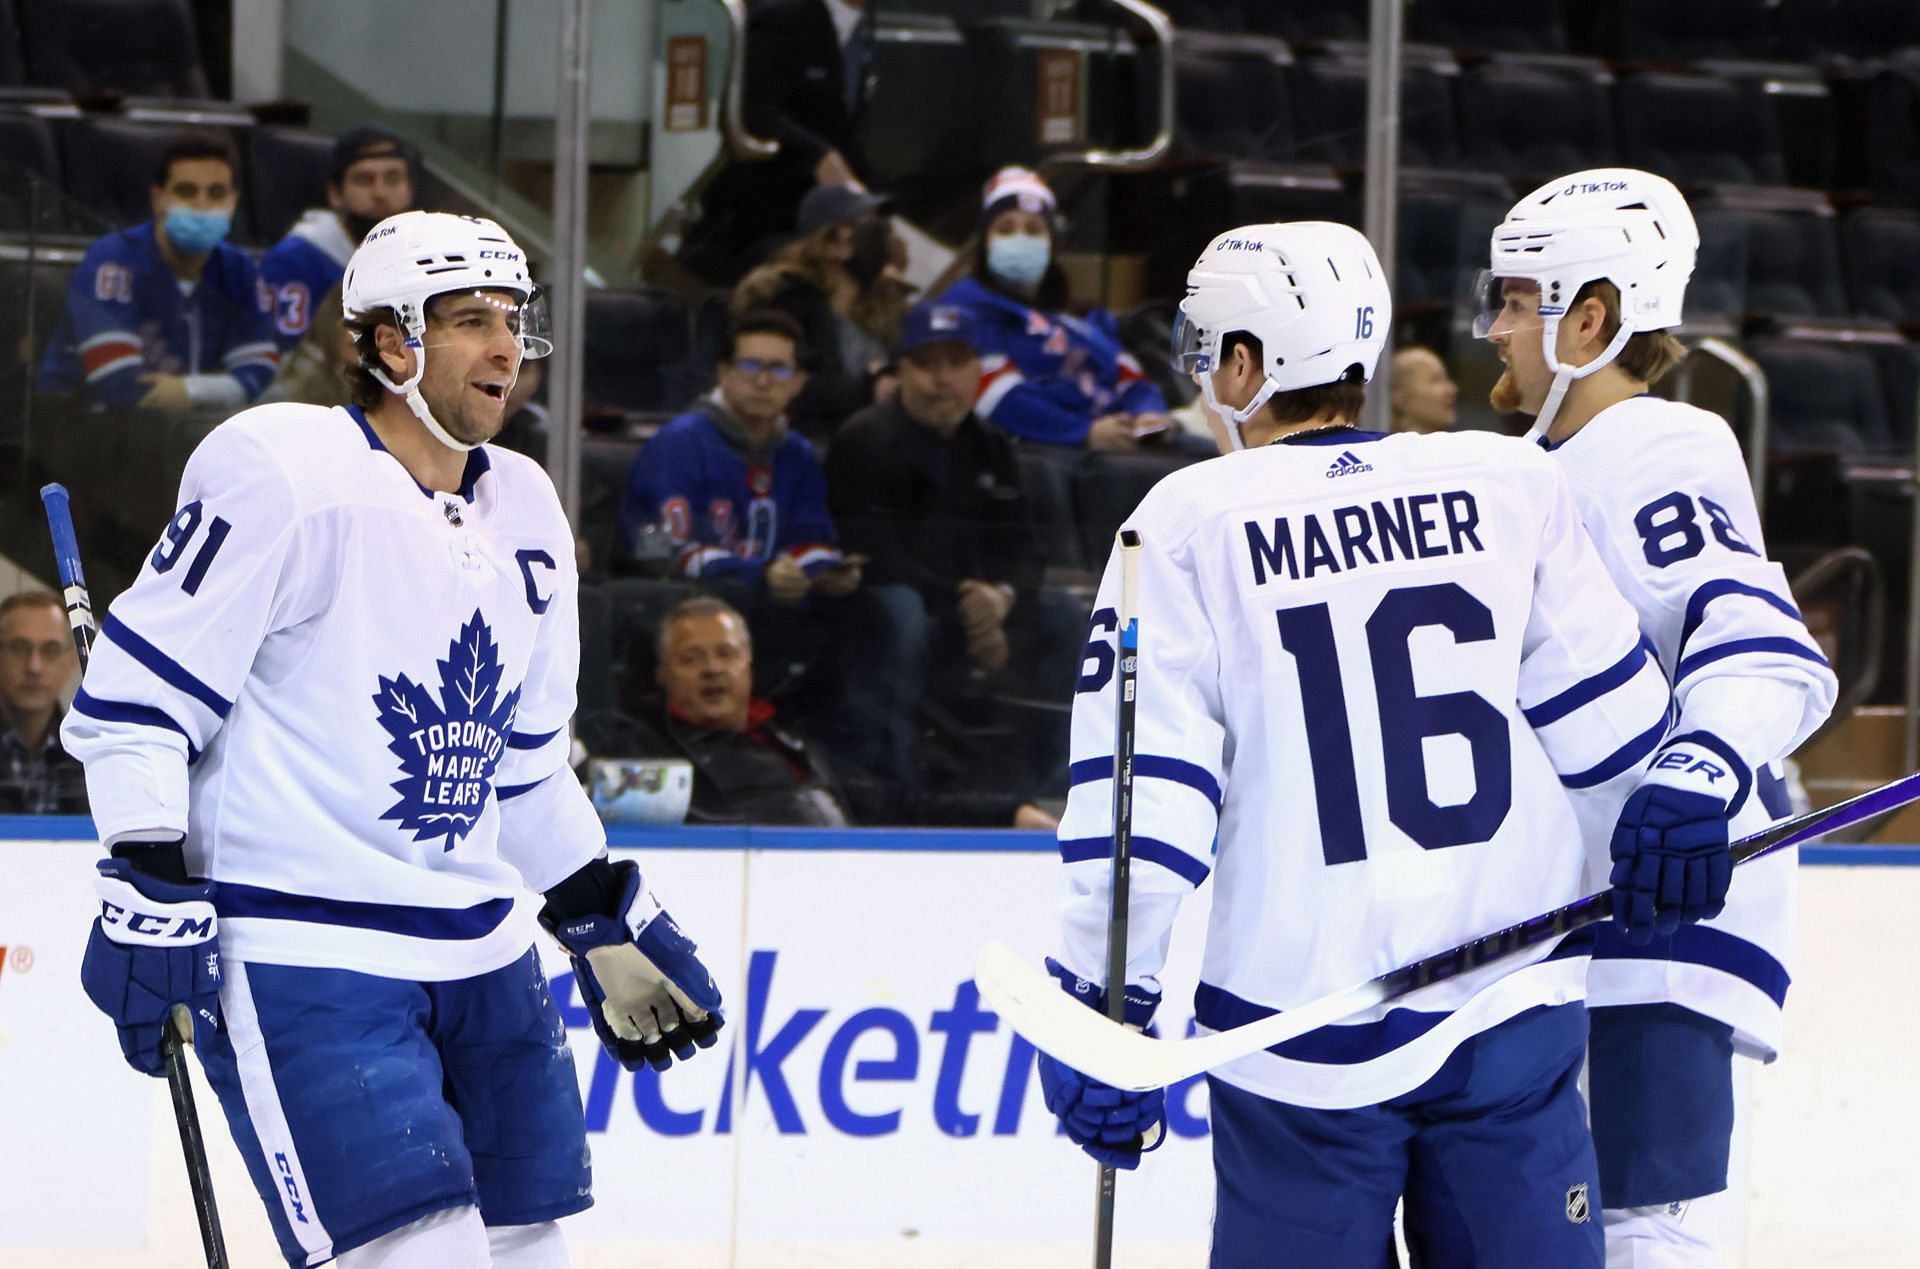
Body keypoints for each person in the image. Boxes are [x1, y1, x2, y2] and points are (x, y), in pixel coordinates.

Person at [62, 210, 724, 1267]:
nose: (506, 346)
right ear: (384, 341)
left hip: (484, 951)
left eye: (513, 319)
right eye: (470, 319)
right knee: (416, 1255)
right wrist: (144, 869)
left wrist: (595, 904)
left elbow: (522, 767)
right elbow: (138, 698)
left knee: (532, 1252)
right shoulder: (282, 467)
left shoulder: (530, 510)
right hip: (304, 947)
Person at [1038, 221, 1677, 1266]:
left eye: (1208, 351)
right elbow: (1614, 740)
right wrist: (1658, 855)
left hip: (1299, 1035)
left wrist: (1104, 1005)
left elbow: (1142, 806)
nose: (1203, 378)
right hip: (1513, 1008)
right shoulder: (1505, 481)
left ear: (1246, 365)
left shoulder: (1185, 520)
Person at [1477, 168, 1838, 1267]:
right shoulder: (1546, 467)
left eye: (1515, 300)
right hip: (1603, 904)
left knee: (1649, 1228)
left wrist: (1697, 772)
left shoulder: (1654, 445)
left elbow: (1750, 633)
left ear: (1592, 319)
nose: (1493, 329)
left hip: (1666, 901)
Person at [826, 300, 1078, 789]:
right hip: (904, 597)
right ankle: (892, 782)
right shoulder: (863, 440)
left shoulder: (992, 444)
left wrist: (1002, 597)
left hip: (977, 602)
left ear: (976, 372)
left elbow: (1026, 549)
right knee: (901, 616)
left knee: (1065, 615)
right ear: (901, 371)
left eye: (957, 364)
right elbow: (872, 550)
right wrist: (969, 604)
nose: (942, 380)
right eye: (926, 365)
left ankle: (1057, 780)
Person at [584, 595, 1055, 829]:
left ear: (748, 666)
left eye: (726, 654)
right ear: (663, 672)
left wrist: (1008, 813)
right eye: (692, 659)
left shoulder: (784, 739)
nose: (713, 670)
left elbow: (892, 804)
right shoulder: (640, 742)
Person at [937, 167, 1174, 451]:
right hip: (1054, 452)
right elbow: (995, 393)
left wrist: (1148, 415)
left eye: (1033, 229)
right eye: (1005, 228)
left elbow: (1130, 377)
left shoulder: (1080, 317)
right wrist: (1084, 432)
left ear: (1052, 245)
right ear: (985, 242)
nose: (1020, 239)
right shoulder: (966, 305)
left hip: (1119, 439)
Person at [39, 132, 277, 413]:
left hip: (187, 429)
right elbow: (119, 385)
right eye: (186, 191)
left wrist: (189, 391)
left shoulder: (239, 270)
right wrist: (223, 390)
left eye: (216, 193)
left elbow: (260, 373)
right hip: (85, 426)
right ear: (158, 198)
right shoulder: (113, 260)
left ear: (233, 201)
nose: (202, 205)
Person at [680, 0, 876, 284]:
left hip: (819, 225)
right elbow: (752, 112)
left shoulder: (865, 32)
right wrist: (818, 157)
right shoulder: (783, 18)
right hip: (757, 225)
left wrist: (878, 215)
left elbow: (842, 131)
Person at [731, 182, 908, 439]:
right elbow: (774, 383)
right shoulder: (785, 301)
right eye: (866, 224)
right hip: (804, 443)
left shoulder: (888, 305)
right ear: (830, 242)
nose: (881, 235)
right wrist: (868, 389)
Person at [259, 126, 419, 355]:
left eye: (392, 179)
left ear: (410, 189)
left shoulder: (429, 257)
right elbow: (277, 359)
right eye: (364, 180)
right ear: (336, 194)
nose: (380, 192)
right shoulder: (295, 260)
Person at [0, 589, 86, 814]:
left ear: (71, 660)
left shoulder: (90, 756)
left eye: (50, 650)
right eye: (19, 648)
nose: (34, 667)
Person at [1389, 345, 1458, 433]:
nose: (1452, 390)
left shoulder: (1459, 445)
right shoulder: (1380, 445)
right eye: (1436, 380)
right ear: (1400, 397)